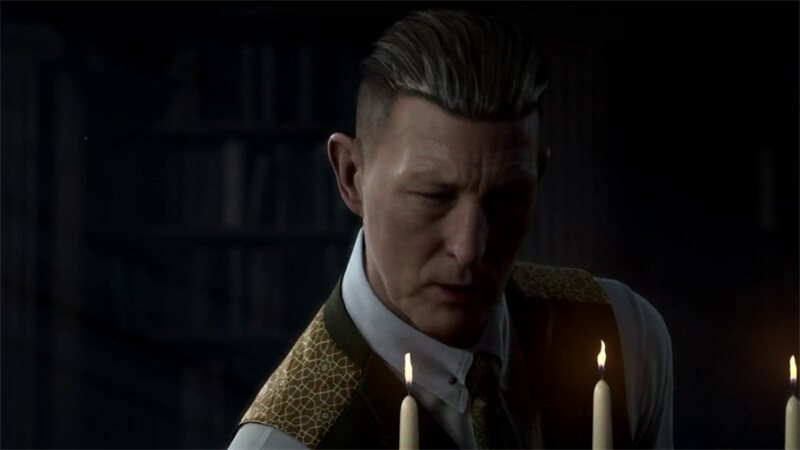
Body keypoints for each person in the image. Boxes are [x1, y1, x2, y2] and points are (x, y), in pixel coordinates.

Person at [229, 8, 673, 450]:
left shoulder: (624, 335)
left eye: (507, 198)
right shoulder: (285, 443)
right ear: (351, 176)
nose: (469, 247)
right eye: (433, 196)